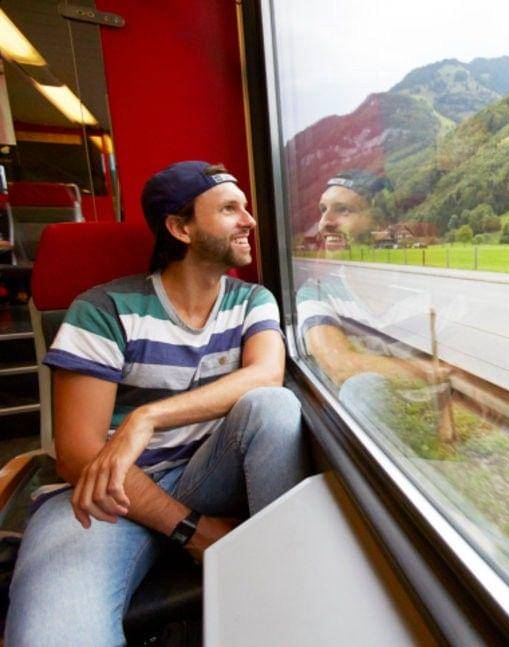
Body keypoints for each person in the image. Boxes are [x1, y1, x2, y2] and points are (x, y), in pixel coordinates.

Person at [5, 161, 307, 646]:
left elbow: (266, 375)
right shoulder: (102, 309)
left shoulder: (253, 301)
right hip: (112, 493)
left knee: (273, 406)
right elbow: (80, 455)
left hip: (207, 474)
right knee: (53, 636)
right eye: (229, 209)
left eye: (246, 208)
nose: (249, 220)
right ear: (180, 228)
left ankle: (287, 581)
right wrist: (192, 530)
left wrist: (147, 416)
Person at [295, 171, 455, 438]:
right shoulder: (318, 292)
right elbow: (340, 365)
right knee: (362, 388)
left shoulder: (425, 290)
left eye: (343, 210)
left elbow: (461, 371)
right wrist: (429, 373)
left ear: (380, 223)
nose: (325, 223)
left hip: (428, 423)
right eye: (323, 210)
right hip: (367, 432)